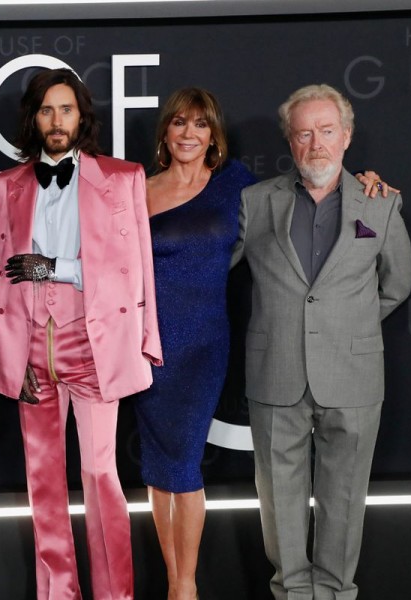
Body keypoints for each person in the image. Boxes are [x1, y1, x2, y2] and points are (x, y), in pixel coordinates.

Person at [0, 68, 162, 600]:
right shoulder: (8, 184)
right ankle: (57, 593)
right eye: (46, 110)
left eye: (66, 109)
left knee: (101, 476)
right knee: (42, 482)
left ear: (82, 116)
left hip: (93, 344)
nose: (56, 120)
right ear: (33, 119)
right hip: (31, 349)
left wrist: (53, 267)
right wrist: (8, 359)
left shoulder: (123, 178)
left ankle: (115, 595)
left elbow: (134, 268)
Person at [232, 83, 411, 600]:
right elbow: (210, 265)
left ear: (346, 136)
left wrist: (345, 325)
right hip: (276, 372)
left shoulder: (381, 204)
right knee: (279, 503)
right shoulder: (254, 202)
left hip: (353, 375)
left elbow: (397, 285)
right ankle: (291, 593)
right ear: (290, 140)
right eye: (304, 133)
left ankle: (335, 593)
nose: (316, 144)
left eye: (327, 131)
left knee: (344, 500)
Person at [133, 87, 256, 600]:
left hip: (203, 346)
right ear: (165, 132)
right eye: (179, 122)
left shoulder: (235, 184)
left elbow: (303, 194)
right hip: (147, 347)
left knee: (183, 464)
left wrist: (365, 183)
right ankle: (173, 580)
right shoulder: (137, 189)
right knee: (158, 468)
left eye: (200, 124)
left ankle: (186, 585)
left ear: (214, 136)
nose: (189, 133)